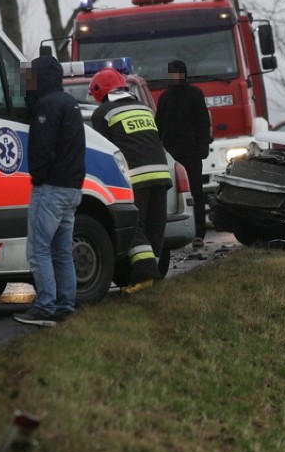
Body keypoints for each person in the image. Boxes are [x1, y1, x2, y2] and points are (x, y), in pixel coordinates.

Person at [14, 55, 86, 327]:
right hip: (72, 188)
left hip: (51, 188)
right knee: (62, 251)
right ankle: (66, 306)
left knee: (38, 250)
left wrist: (38, 176)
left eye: (31, 77)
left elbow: (44, 149)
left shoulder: (47, 106)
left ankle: (45, 307)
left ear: (40, 78)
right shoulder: (69, 103)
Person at [89, 68, 171, 293]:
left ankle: (145, 277)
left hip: (134, 177)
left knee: (133, 227)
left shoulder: (103, 113)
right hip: (162, 174)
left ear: (99, 92)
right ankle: (152, 276)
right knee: (154, 227)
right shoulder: (144, 108)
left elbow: (103, 149)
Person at [155, 60, 212, 248]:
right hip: (171, 155)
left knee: (195, 192)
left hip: (191, 153)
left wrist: (202, 148)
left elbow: (203, 123)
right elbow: (158, 125)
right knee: (172, 194)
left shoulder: (195, 95)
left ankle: (198, 233)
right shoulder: (165, 98)